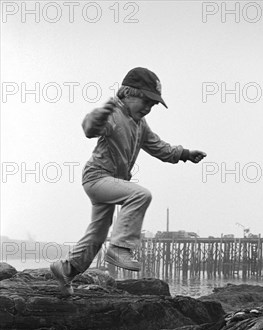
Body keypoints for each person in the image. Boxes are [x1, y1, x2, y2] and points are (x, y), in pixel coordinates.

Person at [50, 67, 207, 296]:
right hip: (97, 178)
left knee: (98, 233)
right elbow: (90, 128)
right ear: (127, 93)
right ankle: (120, 248)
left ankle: (66, 269)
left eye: (152, 105)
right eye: (145, 101)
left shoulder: (139, 124)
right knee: (140, 194)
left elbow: (158, 147)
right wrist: (98, 116)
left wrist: (184, 154)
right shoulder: (112, 115)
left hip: (111, 181)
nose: (148, 108)